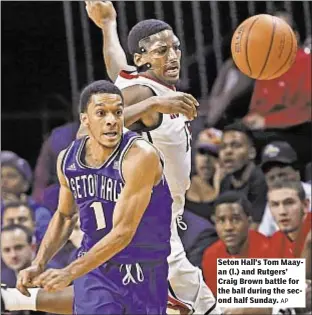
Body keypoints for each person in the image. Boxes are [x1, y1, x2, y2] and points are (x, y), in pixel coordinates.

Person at [85, 2, 220, 314]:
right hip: (148, 219)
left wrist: (107, 25)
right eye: (161, 51)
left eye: (176, 47)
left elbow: (115, 67)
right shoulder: (145, 95)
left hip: (159, 214)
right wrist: (150, 107)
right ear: (142, 58)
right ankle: (15, 299)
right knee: (205, 306)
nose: (172, 56)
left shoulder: (137, 82)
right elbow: (89, 132)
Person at [15, 80, 173, 315]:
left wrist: (69, 271)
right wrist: (39, 263)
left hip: (142, 268)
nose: (112, 120)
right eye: (101, 113)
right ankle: (10, 300)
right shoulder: (68, 160)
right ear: (85, 119)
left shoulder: (140, 157)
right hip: (95, 268)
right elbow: (66, 216)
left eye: (118, 112)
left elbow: (123, 233)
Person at [201, 191, 270, 298]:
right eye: (221, 220)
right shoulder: (210, 255)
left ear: (249, 222)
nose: (228, 227)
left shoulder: (269, 250)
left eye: (236, 219)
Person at [218, 122, 268, 229]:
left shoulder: (261, 181)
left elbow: (255, 226)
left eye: (236, 146)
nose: (228, 151)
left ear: (252, 153)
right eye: (223, 147)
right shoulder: (225, 182)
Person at [258, 141, 311, 236]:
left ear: (297, 173)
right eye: (271, 178)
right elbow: (263, 235)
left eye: (282, 175)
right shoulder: (273, 201)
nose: (278, 181)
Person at [267, 180, 311, 259]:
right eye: (275, 204)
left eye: (289, 203)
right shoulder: (276, 240)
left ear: (305, 205)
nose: (282, 212)